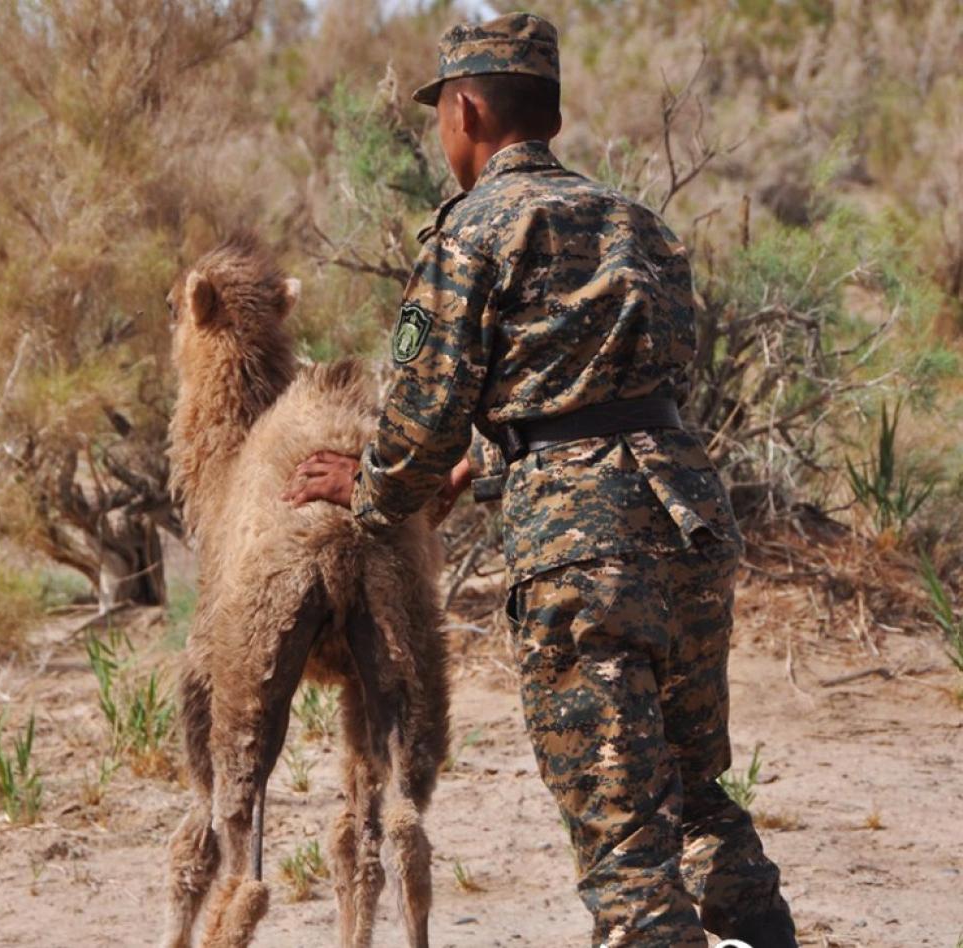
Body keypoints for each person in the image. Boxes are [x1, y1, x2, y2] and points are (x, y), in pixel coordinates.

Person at [282, 11, 798, 948]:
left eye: (443, 110)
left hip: (581, 547)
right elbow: (619, 388)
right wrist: (490, 461)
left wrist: (370, 489)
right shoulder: (639, 223)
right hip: (687, 519)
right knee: (695, 793)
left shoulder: (474, 231)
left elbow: (425, 408)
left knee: (623, 831)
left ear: (467, 108)